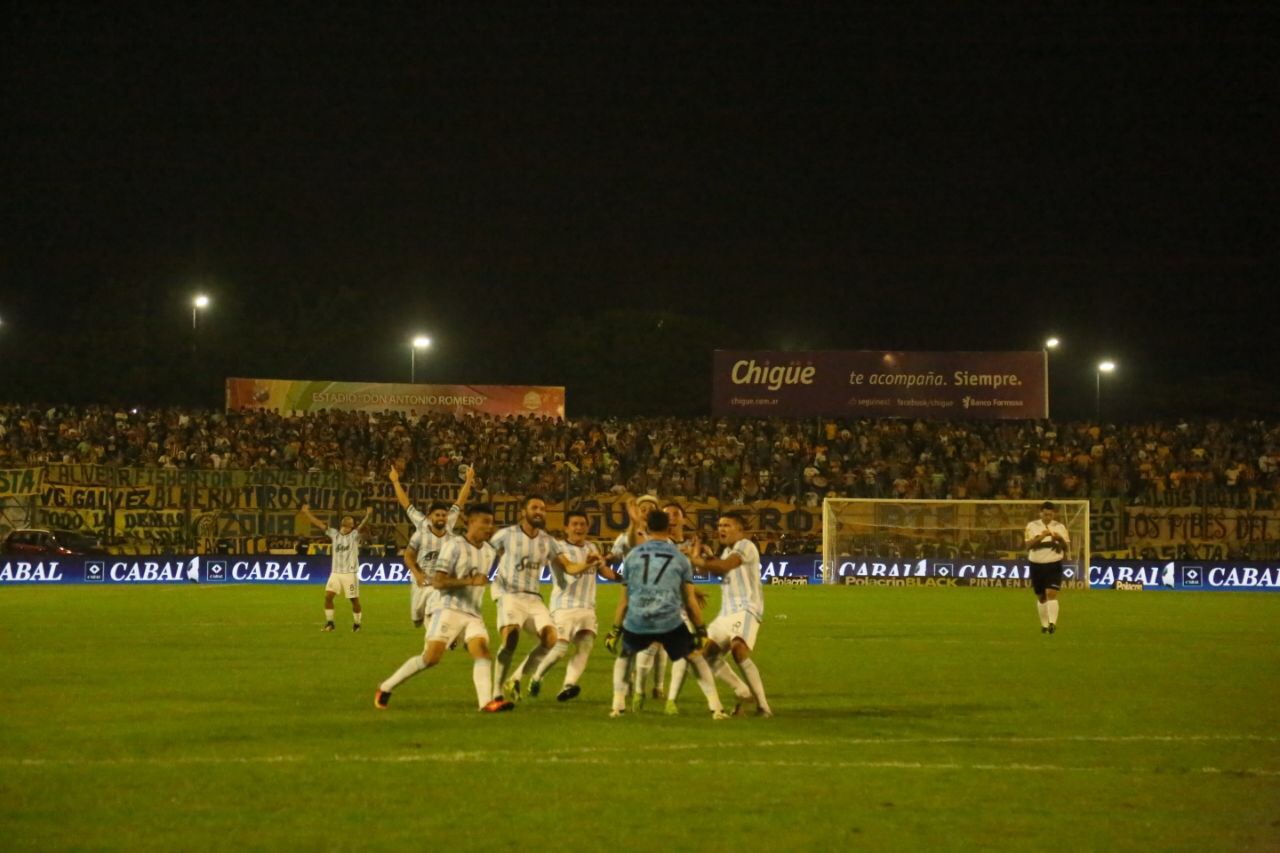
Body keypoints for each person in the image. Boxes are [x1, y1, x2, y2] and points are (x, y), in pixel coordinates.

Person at [374, 504, 513, 713]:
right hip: (447, 609)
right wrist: (468, 581)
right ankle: (385, 687)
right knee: (430, 658)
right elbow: (438, 582)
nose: (489, 527)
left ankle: (486, 703)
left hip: (473, 614)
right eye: (485, 522)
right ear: (471, 522)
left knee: (482, 652)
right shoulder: (454, 546)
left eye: (491, 523)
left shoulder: (488, 552)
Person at [604, 508, 727, 720]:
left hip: (637, 620)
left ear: (647, 528)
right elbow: (689, 601)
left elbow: (624, 599)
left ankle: (617, 706)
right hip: (669, 621)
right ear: (668, 528)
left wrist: (615, 630)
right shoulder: (680, 558)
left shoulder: (632, 556)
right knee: (695, 657)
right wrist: (701, 631)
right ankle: (716, 707)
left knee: (625, 655)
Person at [516, 509, 620, 701]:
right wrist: (589, 564)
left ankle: (568, 684)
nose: (579, 528)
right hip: (564, 607)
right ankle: (537, 677)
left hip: (588, 607)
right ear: (567, 527)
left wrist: (625, 579)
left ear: (587, 527)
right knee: (560, 649)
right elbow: (570, 569)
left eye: (582, 524)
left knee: (585, 646)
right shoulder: (558, 547)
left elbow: (605, 572)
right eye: (575, 524)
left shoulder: (591, 547)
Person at [690, 512, 773, 717]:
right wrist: (704, 555)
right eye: (719, 525)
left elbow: (726, 566)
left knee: (738, 650)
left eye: (727, 525)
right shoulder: (727, 551)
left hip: (746, 608)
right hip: (726, 612)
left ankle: (764, 707)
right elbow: (714, 569)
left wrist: (700, 560)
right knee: (701, 653)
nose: (721, 529)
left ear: (740, 529)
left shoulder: (745, 545)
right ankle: (741, 690)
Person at [489, 494, 560, 704]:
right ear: (523, 512)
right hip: (508, 593)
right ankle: (496, 692)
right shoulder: (506, 534)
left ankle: (515, 677)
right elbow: (484, 551)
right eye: (535, 508)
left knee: (551, 639)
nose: (539, 512)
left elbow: (566, 562)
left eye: (542, 509)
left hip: (533, 597)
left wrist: (587, 564)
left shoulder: (548, 541)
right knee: (511, 636)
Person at [390, 464, 474, 627]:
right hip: (421, 578)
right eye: (438, 515)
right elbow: (406, 503)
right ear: (430, 516)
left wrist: (469, 480)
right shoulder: (422, 525)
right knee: (417, 620)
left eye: (444, 514)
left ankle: (445, 634)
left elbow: (460, 501)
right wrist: (395, 482)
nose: (442, 517)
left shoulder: (449, 522)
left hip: (442, 578)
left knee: (439, 609)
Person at [301, 503, 372, 632]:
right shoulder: (334, 534)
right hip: (335, 572)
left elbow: (362, 525)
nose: (350, 527)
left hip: (350, 573)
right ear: (344, 525)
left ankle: (357, 624)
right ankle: (330, 623)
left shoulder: (354, 535)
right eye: (349, 525)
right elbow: (319, 524)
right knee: (328, 596)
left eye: (351, 525)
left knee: (354, 600)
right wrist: (307, 513)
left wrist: (368, 515)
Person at [1025, 500, 1070, 634]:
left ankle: (1052, 624)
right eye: (1045, 515)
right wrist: (1042, 537)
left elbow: (1066, 547)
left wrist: (1060, 539)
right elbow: (1028, 546)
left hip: (1053, 564)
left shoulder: (1060, 527)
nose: (1047, 517)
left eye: (1050, 515)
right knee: (1041, 597)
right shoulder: (1032, 526)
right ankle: (1044, 625)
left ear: (1053, 514)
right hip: (1036, 564)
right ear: (1040, 513)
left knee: (1051, 593)